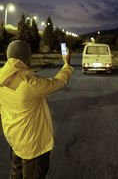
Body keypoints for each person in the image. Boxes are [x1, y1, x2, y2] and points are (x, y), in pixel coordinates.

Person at [0, 40, 73, 179]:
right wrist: (66, 64)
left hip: (14, 140)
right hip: (33, 147)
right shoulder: (30, 83)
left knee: (16, 175)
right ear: (27, 58)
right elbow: (58, 82)